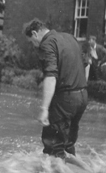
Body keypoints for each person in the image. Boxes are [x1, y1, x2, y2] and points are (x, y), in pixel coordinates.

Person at [23, 18, 88, 159]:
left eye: (32, 42)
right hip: (82, 97)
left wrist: (44, 109)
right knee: (68, 145)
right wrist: (81, 87)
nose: (34, 46)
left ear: (34, 33)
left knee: (53, 148)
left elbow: (51, 76)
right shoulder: (70, 38)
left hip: (65, 100)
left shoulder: (47, 43)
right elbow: (87, 64)